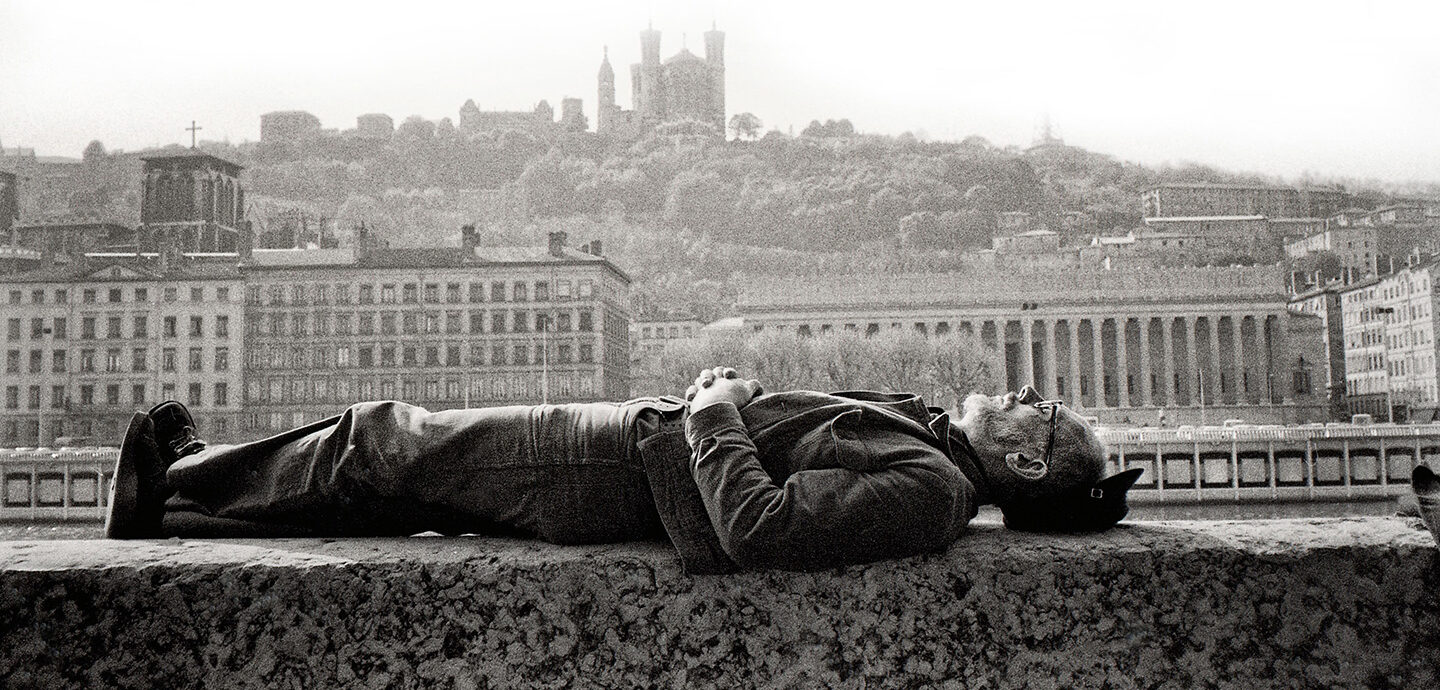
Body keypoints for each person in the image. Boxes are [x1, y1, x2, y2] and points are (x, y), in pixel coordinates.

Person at [106, 367, 1142, 573]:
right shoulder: (935, 456)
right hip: (616, 463)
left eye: (1038, 409)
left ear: (1022, 454)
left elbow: (762, 532)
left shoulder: (930, 490)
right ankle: (181, 514)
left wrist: (713, 408)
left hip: (601, 461)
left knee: (384, 439)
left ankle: (185, 474)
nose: (1023, 394)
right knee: (390, 491)